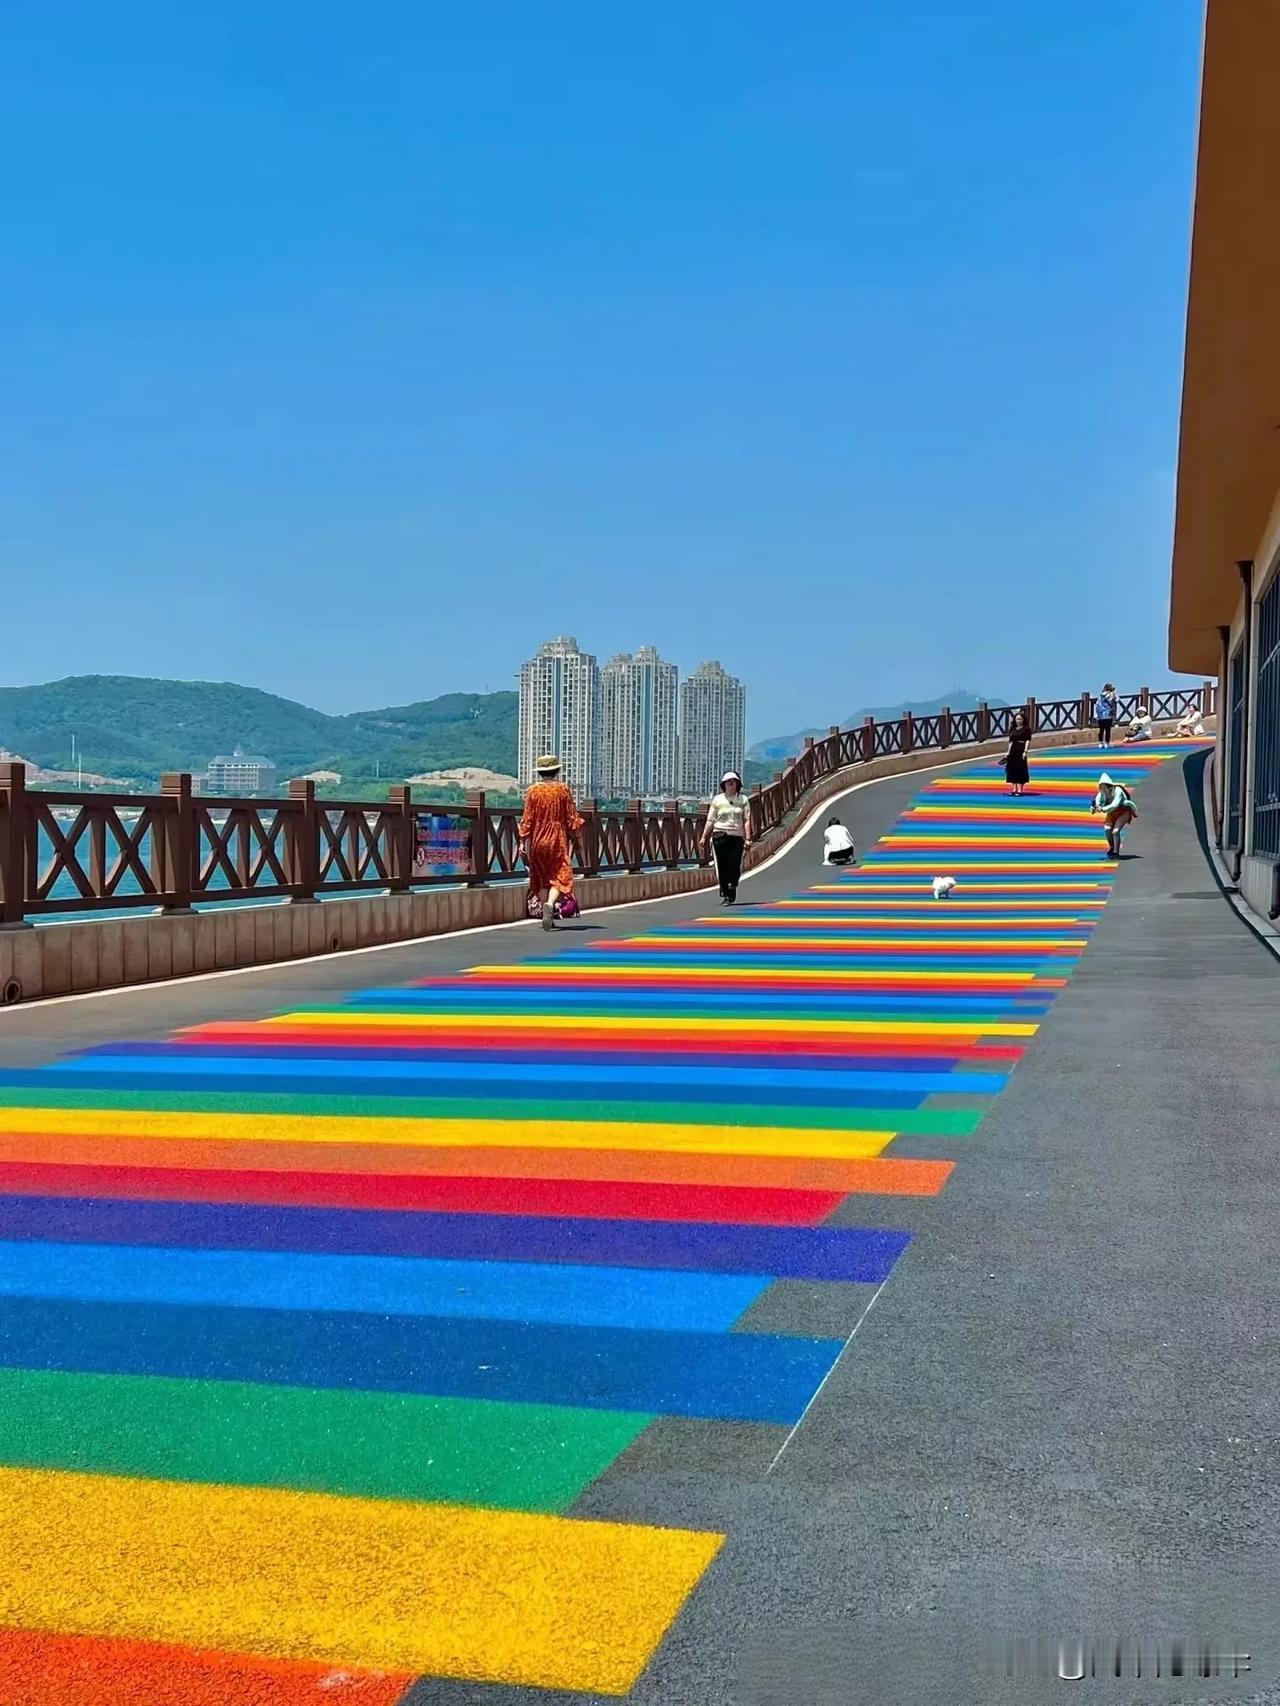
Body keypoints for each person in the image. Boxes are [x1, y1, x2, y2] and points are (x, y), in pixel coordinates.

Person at [518, 754, 584, 931]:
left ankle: (545, 911)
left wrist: (522, 842)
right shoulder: (563, 789)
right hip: (557, 839)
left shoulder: (532, 791)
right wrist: (577, 840)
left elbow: (527, 820)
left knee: (541, 876)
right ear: (556, 771)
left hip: (538, 840)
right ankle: (550, 903)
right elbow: (572, 819)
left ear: (540, 772)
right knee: (560, 875)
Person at [701, 770, 752, 904]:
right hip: (720, 835)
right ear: (723, 784)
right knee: (722, 866)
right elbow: (710, 820)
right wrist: (704, 836)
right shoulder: (717, 800)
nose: (731, 783)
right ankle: (726, 894)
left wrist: (748, 838)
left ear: (737, 784)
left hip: (736, 836)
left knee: (735, 864)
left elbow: (747, 820)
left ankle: (733, 884)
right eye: (728, 781)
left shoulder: (743, 800)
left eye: (733, 781)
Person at [1092, 771, 1136, 857]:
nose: (1102, 790)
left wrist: (1102, 808)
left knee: (1115, 831)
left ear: (1110, 787)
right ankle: (1112, 847)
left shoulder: (1118, 791)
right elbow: (1097, 802)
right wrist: (1095, 807)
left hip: (1123, 811)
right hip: (1112, 812)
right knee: (1107, 829)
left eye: (1104, 787)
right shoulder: (1102, 793)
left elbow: (1115, 804)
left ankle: (1116, 852)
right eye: (1101, 787)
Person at [1003, 709, 1031, 797]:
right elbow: (1010, 741)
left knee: (1021, 768)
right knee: (1012, 769)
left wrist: (1025, 751)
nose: (1018, 721)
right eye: (1017, 719)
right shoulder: (1013, 729)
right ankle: (1014, 788)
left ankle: (1020, 789)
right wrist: (1008, 752)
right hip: (1013, 750)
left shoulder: (1026, 729)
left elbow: (1028, 740)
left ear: (1023, 720)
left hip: (1021, 749)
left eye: (1020, 719)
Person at [1094, 683, 1118, 748]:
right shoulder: (1110, 695)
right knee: (1108, 730)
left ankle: (1100, 743)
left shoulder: (1100, 696)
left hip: (1101, 716)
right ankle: (1107, 743)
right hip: (1108, 715)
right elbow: (1116, 700)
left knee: (1101, 730)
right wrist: (1114, 693)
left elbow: (1097, 705)